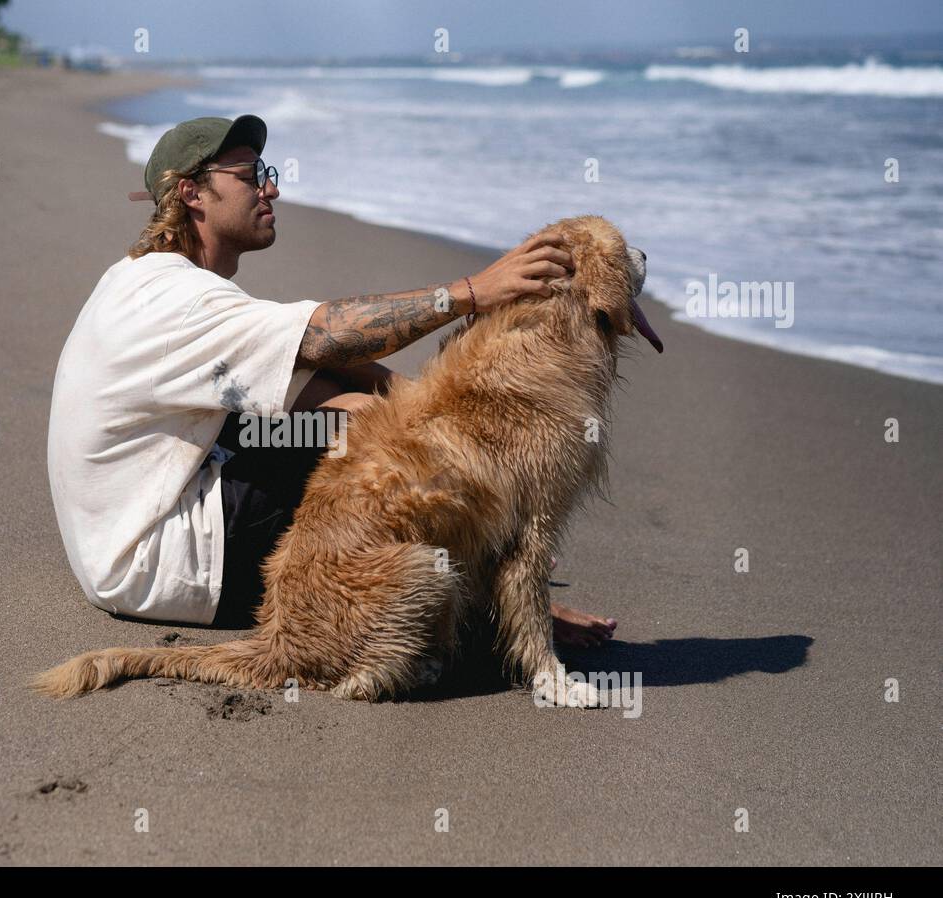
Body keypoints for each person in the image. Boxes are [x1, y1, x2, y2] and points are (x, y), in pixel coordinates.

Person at [48, 114, 616, 648]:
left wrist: (425, 407)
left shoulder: (145, 280)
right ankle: (498, 605)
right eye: (250, 178)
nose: (269, 190)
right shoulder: (179, 303)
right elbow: (324, 334)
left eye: (266, 175)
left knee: (358, 411)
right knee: (376, 445)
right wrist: (472, 292)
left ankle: (482, 553)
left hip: (126, 538)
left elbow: (305, 354)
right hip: (167, 564)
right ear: (191, 194)